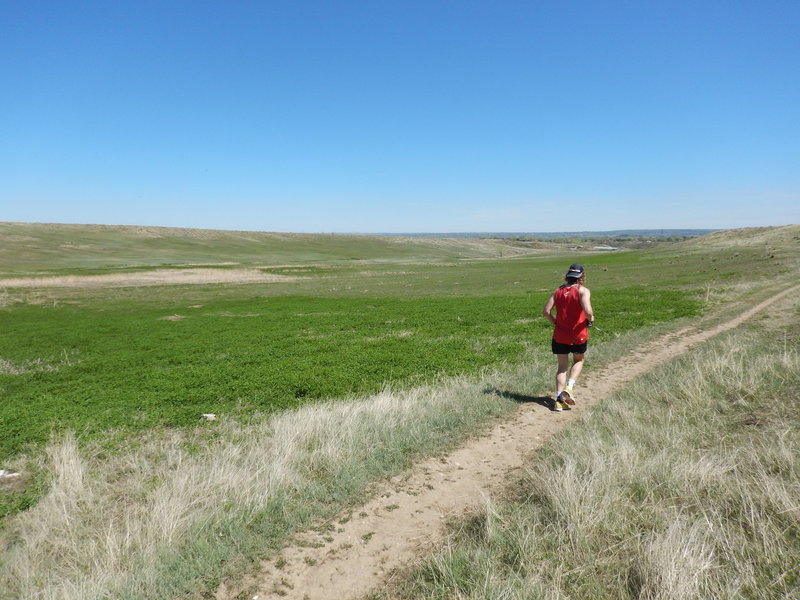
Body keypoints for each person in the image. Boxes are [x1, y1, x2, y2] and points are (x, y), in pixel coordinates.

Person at [542, 263, 594, 411]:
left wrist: (556, 322)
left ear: (568, 276)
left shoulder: (557, 291)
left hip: (560, 335)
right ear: (581, 277)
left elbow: (546, 312)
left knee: (562, 367)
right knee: (579, 360)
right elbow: (588, 311)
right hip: (578, 334)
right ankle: (569, 388)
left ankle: (558, 400)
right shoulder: (583, 291)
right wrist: (590, 320)